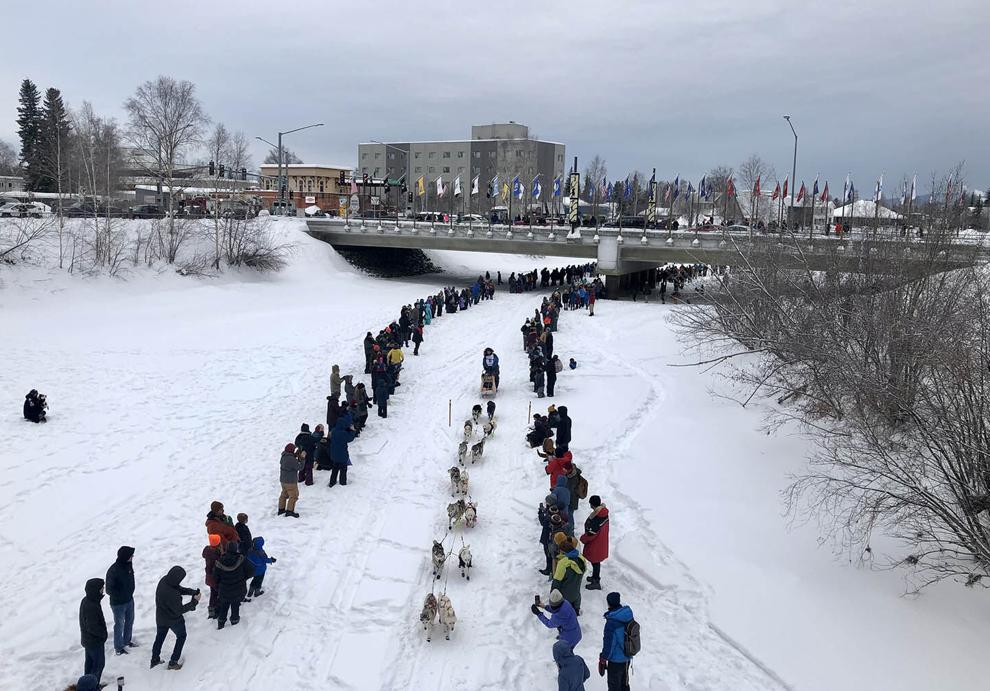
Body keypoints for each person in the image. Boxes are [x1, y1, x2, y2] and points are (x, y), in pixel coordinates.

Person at [151, 566, 200, 670]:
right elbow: (179, 610)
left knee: (159, 637)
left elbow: (178, 588)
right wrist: (194, 602)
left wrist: (192, 592)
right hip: (174, 620)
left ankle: (154, 660)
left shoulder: (165, 580)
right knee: (181, 636)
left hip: (160, 617)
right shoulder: (172, 594)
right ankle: (173, 662)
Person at [214, 544, 255, 628]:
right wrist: (244, 578)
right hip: (238, 590)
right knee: (235, 606)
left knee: (224, 607)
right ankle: (234, 623)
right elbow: (251, 571)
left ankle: (221, 624)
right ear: (236, 549)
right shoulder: (242, 560)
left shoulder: (220, 561)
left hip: (224, 591)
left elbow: (215, 576)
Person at [105, 546, 136, 656]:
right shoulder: (113, 570)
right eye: (130, 556)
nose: (132, 557)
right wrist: (121, 595)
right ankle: (118, 647)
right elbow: (109, 590)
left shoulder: (128, 565)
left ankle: (127, 641)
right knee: (119, 625)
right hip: (118, 604)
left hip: (129, 600)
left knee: (130, 621)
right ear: (125, 557)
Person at [599, 592, 634, 690]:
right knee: (624, 684)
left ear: (609, 603)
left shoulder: (612, 623)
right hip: (627, 657)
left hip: (615, 662)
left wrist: (603, 658)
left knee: (614, 687)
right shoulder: (627, 616)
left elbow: (609, 645)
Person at [78, 578, 107, 683]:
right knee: (98, 665)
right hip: (95, 641)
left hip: (88, 640)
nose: (103, 590)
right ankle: (93, 686)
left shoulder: (88, 600)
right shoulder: (91, 606)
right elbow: (92, 627)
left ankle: (87, 685)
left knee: (90, 664)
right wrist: (103, 635)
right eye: (101, 589)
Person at [580, 496, 610, 591]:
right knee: (596, 562)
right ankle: (595, 577)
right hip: (601, 542)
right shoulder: (603, 513)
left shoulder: (596, 519)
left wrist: (583, 539)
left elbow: (591, 534)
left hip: (595, 545)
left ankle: (596, 581)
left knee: (595, 562)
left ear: (592, 504)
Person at [552, 538, 588, 615]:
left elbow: (557, 581)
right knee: (574, 609)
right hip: (576, 593)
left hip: (564, 595)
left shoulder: (563, 563)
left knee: (564, 613)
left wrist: (553, 594)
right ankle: (576, 612)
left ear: (563, 551)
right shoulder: (581, 558)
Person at [329, 410, 356, 487]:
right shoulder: (343, 433)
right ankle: (342, 483)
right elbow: (350, 438)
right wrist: (352, 431)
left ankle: (332, 482)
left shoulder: (333, 431)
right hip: (342, 455)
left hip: (334, 455)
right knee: (343, 470)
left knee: (334, 470)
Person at [278, 443, 303, 517]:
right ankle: (290, 511)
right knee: (294, 496)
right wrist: (302, 459)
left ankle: (281, 509)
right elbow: (300, 467)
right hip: (290, 481)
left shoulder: (283, 456)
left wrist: (295, 455)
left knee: (284, 494)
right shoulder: (291, 459)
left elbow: (290, 461)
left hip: (283, 480)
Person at [202, 534, 222, 619]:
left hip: (209, 577)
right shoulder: (217, 554)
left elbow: (203, 555)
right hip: (216, 578)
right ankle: (217, 611)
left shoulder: (207, 550)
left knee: (213, 594)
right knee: (217, 594)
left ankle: (211, 611)